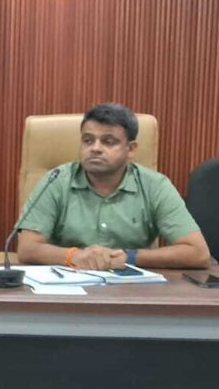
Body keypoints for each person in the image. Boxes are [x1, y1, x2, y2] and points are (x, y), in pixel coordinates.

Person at [16, 102, 210, 270]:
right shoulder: (56, 180)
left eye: (108, 142)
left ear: (130, 149)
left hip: (132, 288)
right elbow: (27, 248)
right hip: (67, 286)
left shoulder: (155, 186)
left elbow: (198, 253)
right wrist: (75, 256)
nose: (95, 148)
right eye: (88, 140)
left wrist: (129, 257)